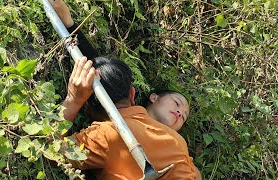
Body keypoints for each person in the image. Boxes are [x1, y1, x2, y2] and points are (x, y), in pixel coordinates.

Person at [49, 0, 202, 179]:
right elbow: (103, 75)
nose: (179, 112)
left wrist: (73, 99)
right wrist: (69, 25)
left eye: (184, 116)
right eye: (177, 103)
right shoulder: (177, 142)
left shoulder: (104, 136)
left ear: (88, 110)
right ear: (133, 94)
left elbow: (52, 150)